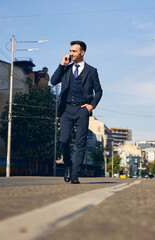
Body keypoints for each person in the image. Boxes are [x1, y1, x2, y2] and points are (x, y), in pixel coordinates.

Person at [51, 41, 103, 184]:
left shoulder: (91, 71)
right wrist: (62, 65)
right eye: (70, 50)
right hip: (66, 109)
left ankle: (75, 174)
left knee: (81, 143)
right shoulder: (66, 69)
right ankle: (67, 165)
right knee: (64, 140)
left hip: (82, 109)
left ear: (82, 52)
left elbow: (99, 91)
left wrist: (91, 106)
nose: (71, 53)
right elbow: (53, 81)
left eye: (74, 51)